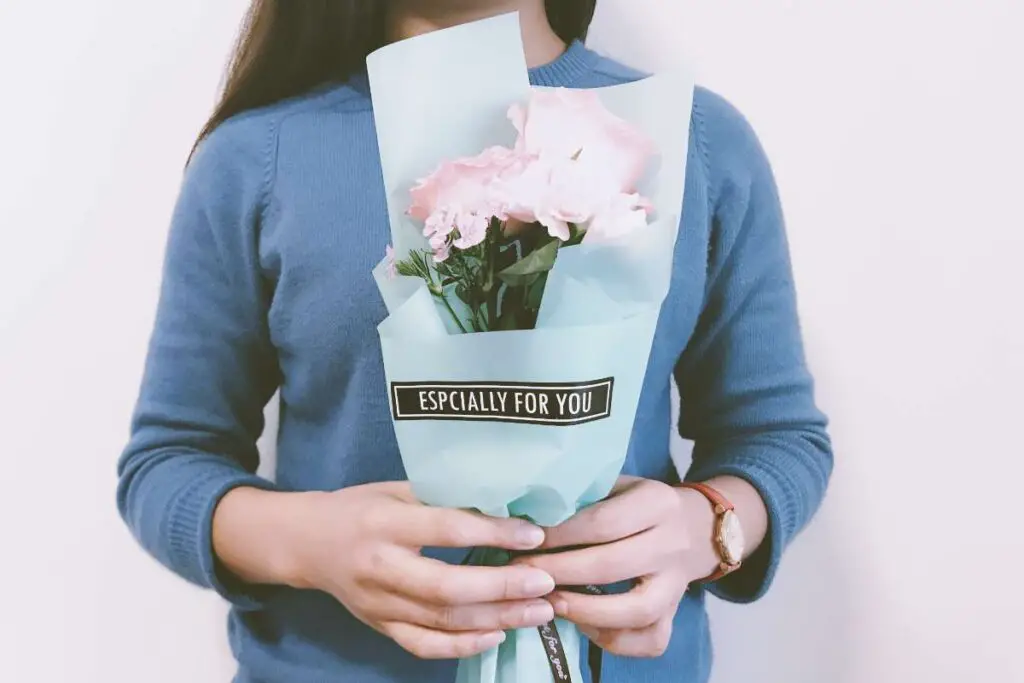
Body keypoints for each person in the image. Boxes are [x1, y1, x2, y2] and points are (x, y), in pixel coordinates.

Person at [116, 1, 833, 682]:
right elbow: (168, 461)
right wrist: (316, 543)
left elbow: (775, 437)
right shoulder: (255, 159)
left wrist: (707, 526)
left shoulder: (695, 141)